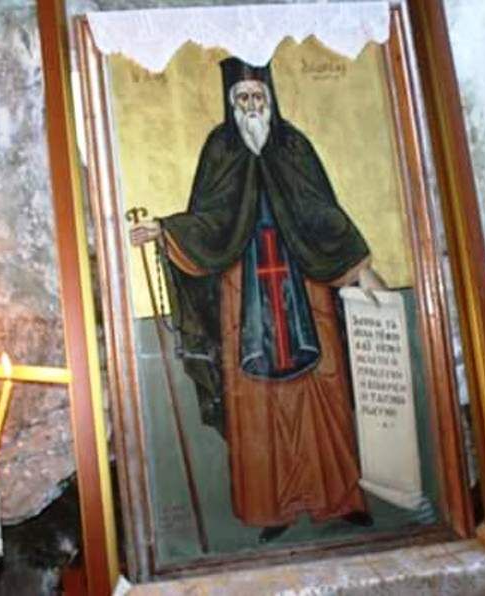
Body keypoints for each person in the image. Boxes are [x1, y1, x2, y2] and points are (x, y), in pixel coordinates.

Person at [130, 57, 384, 541]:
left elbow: (322, 210)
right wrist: (165, 229)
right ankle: (273, 508)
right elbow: (209, 218)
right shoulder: (220, 148)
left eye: (257, 97)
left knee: (324, 385)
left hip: (305, 283)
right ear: (231, 103)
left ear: (271, 99)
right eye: (242, 98)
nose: (251, 106)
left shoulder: (293, 145)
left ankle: (340, 498)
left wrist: (359, 264)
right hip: (243, 289)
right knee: (255, 398)